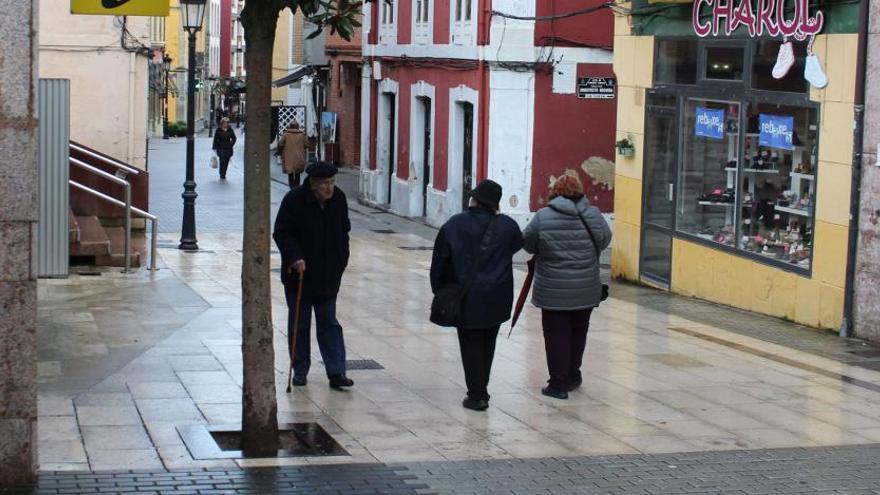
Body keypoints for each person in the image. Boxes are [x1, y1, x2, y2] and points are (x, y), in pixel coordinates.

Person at [430, 180, 524, 411]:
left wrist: (440, 289)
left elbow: (439, 261)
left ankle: (477, 394)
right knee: (488, 341)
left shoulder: (455, 224)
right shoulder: (508, 226)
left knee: (470, 341)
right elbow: (517, 245)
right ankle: (481, 388)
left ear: (475, 199)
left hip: (466, 295)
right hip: (497, 295)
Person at [522, 174, 611, 400]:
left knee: (556, 335)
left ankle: (558, 384)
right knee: (578, 332)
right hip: (586, 287)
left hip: (553, 289)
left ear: (555, 191)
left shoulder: (543, 217)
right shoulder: (594, 214)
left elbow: (528, 243)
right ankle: (573, 375)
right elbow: (604, 239)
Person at [273, 161, 354, 390]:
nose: (329, 188)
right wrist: (294, 257)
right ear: (313, 184)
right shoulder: (294, 200)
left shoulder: (339, 200)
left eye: (332, 183)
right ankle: (300, 370)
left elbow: (344, 231)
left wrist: (341, 260)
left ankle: (337, 371)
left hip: (328, 275)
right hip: (299, 276)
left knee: (329, 323)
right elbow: (281, 232)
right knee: (300, 323)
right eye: (324, 184)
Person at [279, 121, 307, 188]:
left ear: (290, 126)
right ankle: (297, 188)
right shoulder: (302, 135)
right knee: (297, 174)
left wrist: (280, 152)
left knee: (290, 174)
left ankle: (291, 188)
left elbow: (280, 144)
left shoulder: (285, 135)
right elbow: (307, 145)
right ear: (298, 127)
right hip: (299, 157)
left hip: (289, 157)